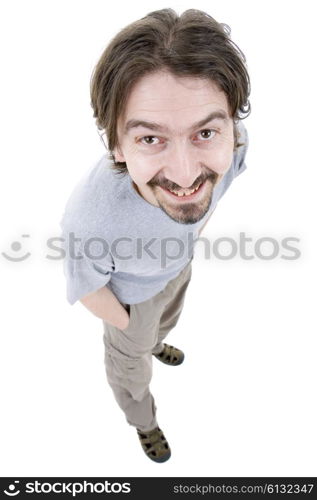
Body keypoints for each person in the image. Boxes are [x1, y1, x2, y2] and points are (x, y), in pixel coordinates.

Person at [60, 8, 250, 463]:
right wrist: (128, 324)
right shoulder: (89, 222)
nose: (185, 175)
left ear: (227, 126)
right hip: (129, 299)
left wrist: (185, 245)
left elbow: (210, 194)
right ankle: (143, 421)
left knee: (167, 317)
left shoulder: (236, 143)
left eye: (205, 131)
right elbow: (86, 289)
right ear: (117, 146)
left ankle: (157, 339)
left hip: (175, 269)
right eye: (150, 139)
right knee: (131, 370)